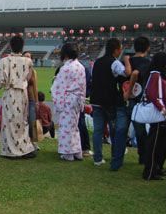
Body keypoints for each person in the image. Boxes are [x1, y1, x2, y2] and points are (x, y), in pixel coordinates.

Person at [90, 38, 131, 169]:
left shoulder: (97, 62)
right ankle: (115, 156)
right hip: (110, 102)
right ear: (116, 49)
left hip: (96, 100)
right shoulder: (114, 63)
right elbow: (127, 73)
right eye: (120, 48)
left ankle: (97, 158)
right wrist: (127, 61)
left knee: (97, 131)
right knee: (114, 130)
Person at [0, 36, 36, 159]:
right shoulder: (28, 62)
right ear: (22, 47)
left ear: (10, 46)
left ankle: (9, 150)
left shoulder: (4, 61)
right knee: (22, 121)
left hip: (9, 93)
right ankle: (23, 148)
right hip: (22, 94)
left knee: (8, 121)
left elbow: (0, 80)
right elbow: (28, 79)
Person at [51, 43, 86, 161]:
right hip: (77, 100)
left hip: (67, 100)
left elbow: (59, 87)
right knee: (74, 127)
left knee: (66, 127)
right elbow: (83, 86)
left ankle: (68, 154)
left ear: (64, 54)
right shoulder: (81, 66)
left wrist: (57, 100)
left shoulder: (65, 68)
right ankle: (77, 152)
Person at [122, 36, 151, 164]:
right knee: (140, 131)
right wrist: (130, 92)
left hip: (124, 99)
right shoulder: (147, 62)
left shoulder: (127, 61)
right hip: (138, 101)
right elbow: (135, 74)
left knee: (122, 129)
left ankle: (117, 156)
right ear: (148, 48)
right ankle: (143, 158)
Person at [142, 52, 166, 180]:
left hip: (161, 114)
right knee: (155, 143)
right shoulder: (155, 75)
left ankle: (156, 167)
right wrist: (162, 108)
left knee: (161, 144)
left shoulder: (157, 74)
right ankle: (150, 170)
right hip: (158, 114)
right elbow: (152, 94)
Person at [23, 51, 39, 150]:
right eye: (25, 56)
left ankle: (33, 142)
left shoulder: (33, 72)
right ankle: (24, 141)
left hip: (31, 99)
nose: (27, 58)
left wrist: (37, 101)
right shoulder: (19, 70)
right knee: (22, 121)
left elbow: (35, 87)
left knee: (32, 120)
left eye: (29, 57)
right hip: (21, 99)